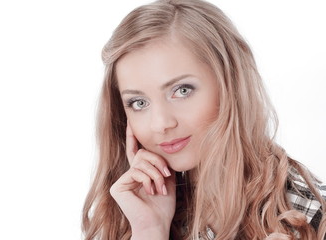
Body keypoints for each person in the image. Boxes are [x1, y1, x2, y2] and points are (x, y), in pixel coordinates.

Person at [81, 0, 326, 239]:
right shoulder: (130, 215)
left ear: (230, 85)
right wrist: (150, 230)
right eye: (139, 103)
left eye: (182, 90)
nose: (160, 123)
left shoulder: (312, 214)